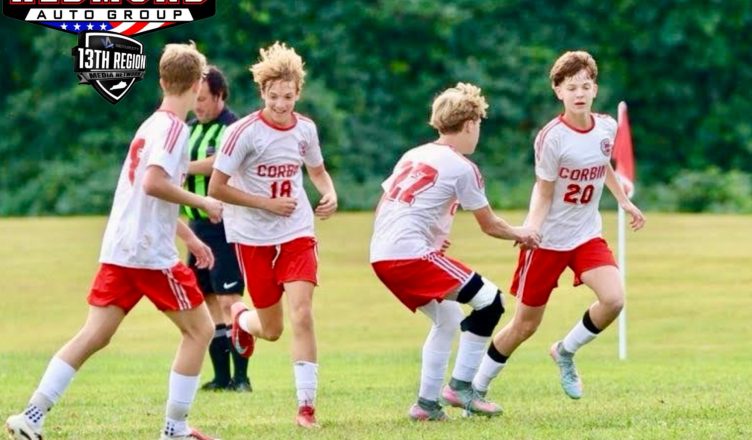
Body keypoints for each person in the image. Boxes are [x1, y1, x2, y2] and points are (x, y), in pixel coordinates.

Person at [4, 43, 223, 440]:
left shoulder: (151, 125)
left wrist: (190, 236)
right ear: (196, 85)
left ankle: (31, 416)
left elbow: (147, 195)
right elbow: (154, 184)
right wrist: (203, 201)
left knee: (95, 334)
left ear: (162, 81)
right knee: (200, 331)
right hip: (148, 254)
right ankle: (174, 429)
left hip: (121, 248)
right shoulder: (176, 130)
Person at [469, 50, 646, 404]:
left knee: (613, 300)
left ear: (595, 89)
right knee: (524, 326)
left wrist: (623, 200)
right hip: (548, 241)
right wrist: (530, 229)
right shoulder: (552, 137)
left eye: (585, 86)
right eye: (571, 87)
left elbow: (602, 164)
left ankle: (565, 350)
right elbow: (543, 190)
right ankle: (475, 389)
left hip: (586, 237)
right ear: (558, 91)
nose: (579, 93)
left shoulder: (606, 127)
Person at [369, 83, 540, 421]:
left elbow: (386, 204)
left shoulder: (414, 154)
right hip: (409, 254)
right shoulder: (463, 167)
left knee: (448, 319)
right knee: (491, 301)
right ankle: (461, 388)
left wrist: (425, 237)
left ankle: (426, 406)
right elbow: (489, 224)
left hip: (382, 253)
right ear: (470, 124)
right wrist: (521, 232)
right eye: (479, 125)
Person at [208, 41, 337, 429]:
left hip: (296, 231)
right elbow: (217, 187)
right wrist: (265, 204)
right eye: (274, 96)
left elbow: (317, 171)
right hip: (252, 236)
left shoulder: (306, 129)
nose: (281, 104)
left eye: (288, 96)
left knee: (302, 313)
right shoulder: (243, 133)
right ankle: (241, 318)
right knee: (273, 329)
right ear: (262, 92)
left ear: (298, 93)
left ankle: (306, 408)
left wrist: (329, 192)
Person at [185, 65, 251, 393]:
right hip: (196, 226)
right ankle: (221, 378)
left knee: (230, 300)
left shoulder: (232, 128)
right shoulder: (190, 129)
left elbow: (221, 163)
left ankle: (242, 378)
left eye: (202, 99)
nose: (197, 105)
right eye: (194, 99)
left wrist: (181, 166)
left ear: (220, 95)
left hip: (225, 225)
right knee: (207, 301)